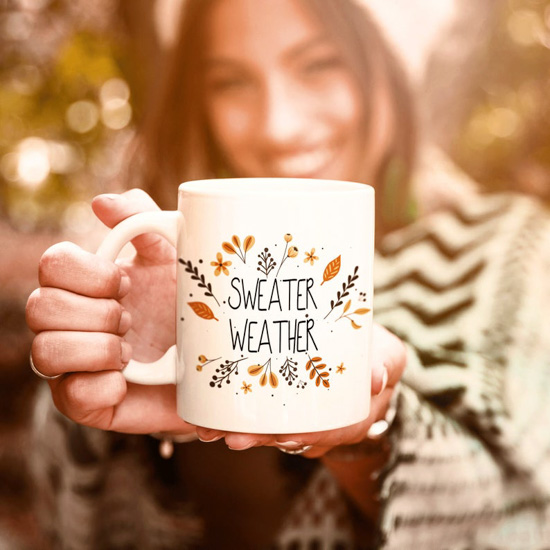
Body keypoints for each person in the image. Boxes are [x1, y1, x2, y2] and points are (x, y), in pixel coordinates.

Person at [25, 0, 550, 548]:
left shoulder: (517, 258)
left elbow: (527, 515)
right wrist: (122, 360)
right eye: (230, 82)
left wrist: (369, 433)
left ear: (392, 65)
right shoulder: (159, 267)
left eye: (319, 65)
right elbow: (61, 516)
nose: (278, 125)